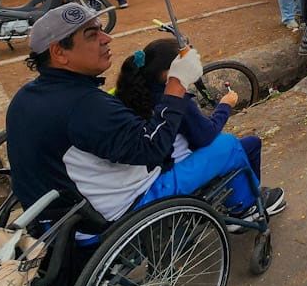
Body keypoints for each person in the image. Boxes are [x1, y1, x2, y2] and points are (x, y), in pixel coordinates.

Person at [5, 3, 282, 251]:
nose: (107, 38)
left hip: (57, 219)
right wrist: (177, 86)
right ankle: (248, 213)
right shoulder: (84, 105)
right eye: (92, 35)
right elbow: (151, 148)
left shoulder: (26, 97)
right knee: (228, 145)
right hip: (117, 211)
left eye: (101, 30)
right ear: (59, 53)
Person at [114, 37, 271, 223]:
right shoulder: (176, 100)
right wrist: (224, 106)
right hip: (176, 167)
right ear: (168, 73)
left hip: (152, 169)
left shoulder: (132, 93)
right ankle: (248, 207)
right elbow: (205, 137)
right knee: (248, 144)